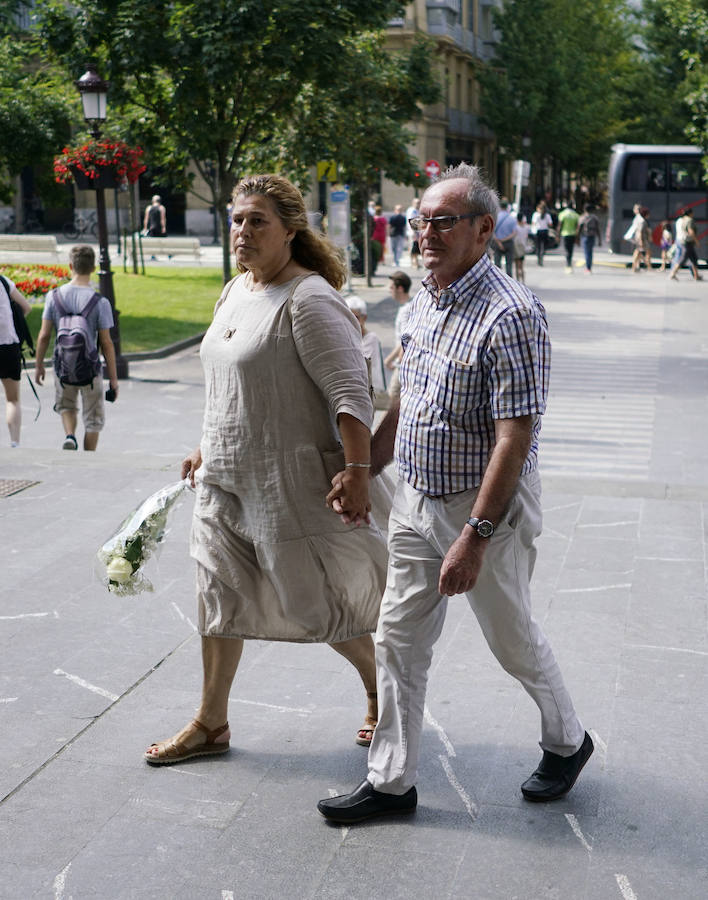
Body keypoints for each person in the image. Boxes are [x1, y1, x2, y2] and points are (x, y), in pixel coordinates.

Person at [318, 162, 592, 824]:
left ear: (484, 230)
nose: (426, 233)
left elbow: (514, 439)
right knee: (397, 637)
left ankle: (568, 740)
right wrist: (364, 467)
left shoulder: (513, 315)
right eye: (420, 220)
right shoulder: (422, 302)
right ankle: (391, 783)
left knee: (511, 638)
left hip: (483, 508)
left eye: (443, 221)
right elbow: (407, 401)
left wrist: (475, 536)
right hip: (415, 498)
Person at [144, 174, 390, 765]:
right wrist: (207, 445)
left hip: (292, 483)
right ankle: (210, 723)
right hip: (224, 479)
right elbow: (225, 382)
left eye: (257, 221)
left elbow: (350, 394)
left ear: (289, 230)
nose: (243, 232)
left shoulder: (308, 299)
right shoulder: (235, 290)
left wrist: (358, 470)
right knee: (216, 597)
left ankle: (384, 690)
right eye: (237, 220)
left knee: (317, 606)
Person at [34, 245, 119, 451]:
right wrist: (113, 379)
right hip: (91, 370)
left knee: (67, 406)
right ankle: (88, 457)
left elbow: (44, 335)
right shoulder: (100, 302)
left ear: (70, 265)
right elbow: (106, 343)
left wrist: (39, 365)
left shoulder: (53, 297)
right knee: (93, 419)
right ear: (92, 268)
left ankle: (70, 435)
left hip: (63, 367)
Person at [0, 274, 31, 447]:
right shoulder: (3, 281)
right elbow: (26, 307)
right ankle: (14, 443)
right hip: (7, 344)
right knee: (12, 399)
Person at [345, 295, 387, 403]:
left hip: (368, 393)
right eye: (348, 317)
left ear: (364, 318)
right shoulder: (345, 336)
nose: (352, 321)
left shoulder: (371, 338)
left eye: (356, 317)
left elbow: (359, 363)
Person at [383, 270, 412, 404]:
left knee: (393, 397)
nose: (389, 290)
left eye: (391, 287)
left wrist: (390, 359)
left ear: (400, 289)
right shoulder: (406, 307)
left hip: (403, 364)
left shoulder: (406, 310)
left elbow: (405, 339)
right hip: (403, 363)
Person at [669, 208, 703, 281]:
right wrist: (697, 242)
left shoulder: (681, 220)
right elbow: (691, 232)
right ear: (690, 213)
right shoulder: (689, 220)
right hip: (687, 242)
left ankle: (696, 275)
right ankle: (673, 273)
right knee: (683, 259)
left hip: (682, 241)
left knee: (693, 258)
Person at [492, 197, 516, 276]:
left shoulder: (495, 217)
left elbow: (492, 232)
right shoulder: (512, 218)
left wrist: (499, 242)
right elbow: (514, 233)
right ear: (507, 207)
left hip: (497, 243)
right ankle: (509, 282)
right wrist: (504, 239)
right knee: (509, 265)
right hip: (508, 243)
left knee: (497, 265)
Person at [577, 203, 601, 273]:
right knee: (590, 252)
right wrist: (599, 240)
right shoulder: (595, 217)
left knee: (586, 252)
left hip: (585, 236)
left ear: (584, 209)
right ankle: (589, 267)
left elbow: (579, 229)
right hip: (592, 236)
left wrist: (577, 238)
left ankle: (588, 268)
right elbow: (598, 229)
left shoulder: (582, 217)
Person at [557, 201, 580, 273]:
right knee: (570, 250)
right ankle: (569, 263)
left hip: (565, 234)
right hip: (573, 235)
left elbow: (560, 226)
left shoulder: (562, 214)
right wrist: (577, 237)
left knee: (566, 250)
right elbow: (577, 227)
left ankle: (568, 264)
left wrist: (558, 235)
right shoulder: (576, 215)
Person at [629, 204, 651, 273]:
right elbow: (640, 231)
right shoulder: (642, 220)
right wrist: (641, 241)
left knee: (638, 252)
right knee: (646, 252)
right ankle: (648, 266)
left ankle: (636, 266)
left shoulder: (638, 218)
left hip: (639, 239)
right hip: (642, 239)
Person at [530, 201, 553, 265]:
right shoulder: (547, 215)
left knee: (538, 246)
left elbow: (533, 223)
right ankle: (542, 255)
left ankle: (539, 257)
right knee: (544, 246)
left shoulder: (536, 214)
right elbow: (550, 224)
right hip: (545, 231)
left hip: (538, 231)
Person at [513, 211, 530, 283]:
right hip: (523, 247)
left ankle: (518, 281)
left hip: (516, 247)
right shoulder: (526, 228)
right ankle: (523, 281)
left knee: (517, 266)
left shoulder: (515, 227)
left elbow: (514, 236)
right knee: (522, 266)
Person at [371, 205, 388, 270]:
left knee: (376, 247)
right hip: (382, 234)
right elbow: (386, 227)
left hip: (375, 234)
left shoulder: (374, 218)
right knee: (382, 247)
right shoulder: (383, 218)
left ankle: (377, 259)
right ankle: (382, 260)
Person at [406, 198, 421, 269]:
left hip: (417, 231)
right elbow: (411, 222)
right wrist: (414, 232)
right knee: (413, 247)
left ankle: (415, 262)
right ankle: (413, 262)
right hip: (413, 232)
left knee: (416, 247)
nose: (418, 204)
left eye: (419, 203)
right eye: (417, 203)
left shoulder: (417, 211)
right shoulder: (412, 211)